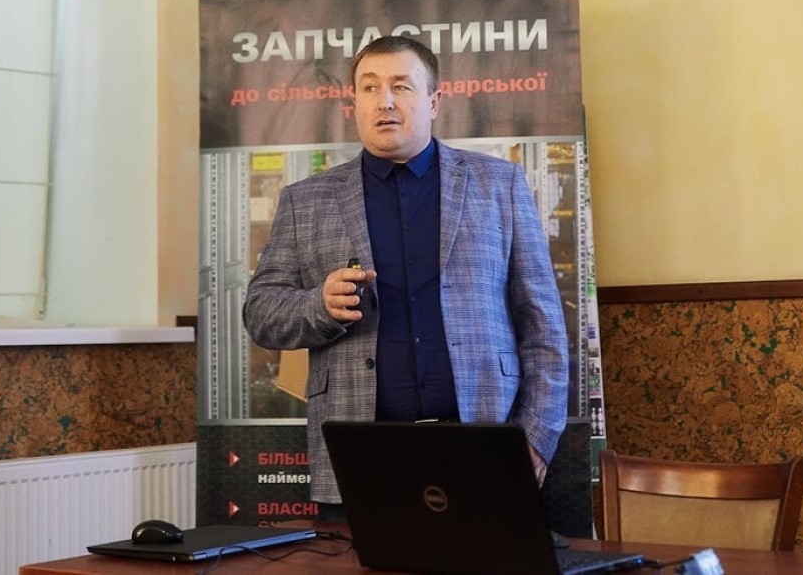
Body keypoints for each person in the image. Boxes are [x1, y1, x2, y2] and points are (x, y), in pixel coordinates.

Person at [242, 35, 569, 513]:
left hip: (486, 444)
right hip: (361, 456)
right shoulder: (305, 200)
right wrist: (319, 306)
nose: (385, 101)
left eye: (401, 86)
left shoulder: (499, 185)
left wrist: (537, 437)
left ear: (434, 101)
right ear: (353, 102)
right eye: (370, 87)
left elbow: (544, 327)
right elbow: (260, 312)